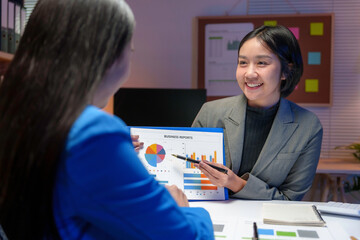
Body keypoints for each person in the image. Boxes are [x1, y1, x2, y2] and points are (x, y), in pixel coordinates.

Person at [0, 0, 214, 239]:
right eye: (129, 53)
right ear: (108, 54)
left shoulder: (16, 113)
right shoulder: (93, 132)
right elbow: (186, 236)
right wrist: (185, 211)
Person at [192, 25, 323, 201]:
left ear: (286, 70)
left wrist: (237, 184)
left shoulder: (308, 126)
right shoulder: (210, 112)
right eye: (243, 62)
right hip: (213, 216)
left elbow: (290, 200)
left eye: (262, 63)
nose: (249, 73)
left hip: (267, 221)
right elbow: (187, 174)